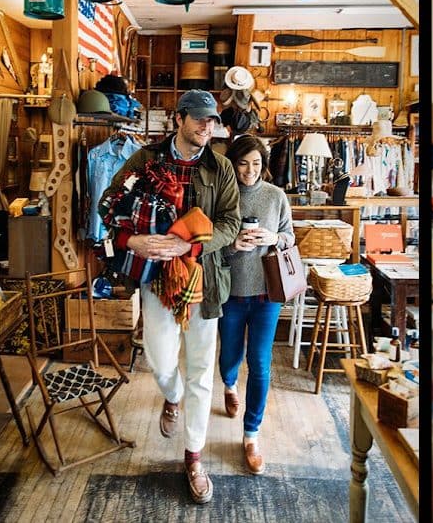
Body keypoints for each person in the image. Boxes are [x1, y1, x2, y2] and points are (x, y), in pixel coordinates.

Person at [99, 90, 241, 504]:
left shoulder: (222, 167)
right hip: (156, 279)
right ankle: (172, 397)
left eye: (212, 121)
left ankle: (194, 456)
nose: (206, 127)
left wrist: (190, 246)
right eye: (199, 119)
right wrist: (134, 239)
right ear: (179, 119)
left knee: (201, 371)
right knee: (161, 362)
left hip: (205, 281)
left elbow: (230, 222)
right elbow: (108, 204)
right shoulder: (146, 160)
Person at [215, 135, 292, 475]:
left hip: (266, 294)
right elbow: (211, 245)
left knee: (260, 363)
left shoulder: (276, 197)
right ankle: (230, 386)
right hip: (231, 292)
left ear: (265, 165)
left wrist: (274, 238)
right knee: (230, 355)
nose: (250, 170)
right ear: (233, 163)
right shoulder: (222, 196)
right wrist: (234, 245)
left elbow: (290, 235)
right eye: (243, 163)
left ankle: (251, 435)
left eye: (256, 164)